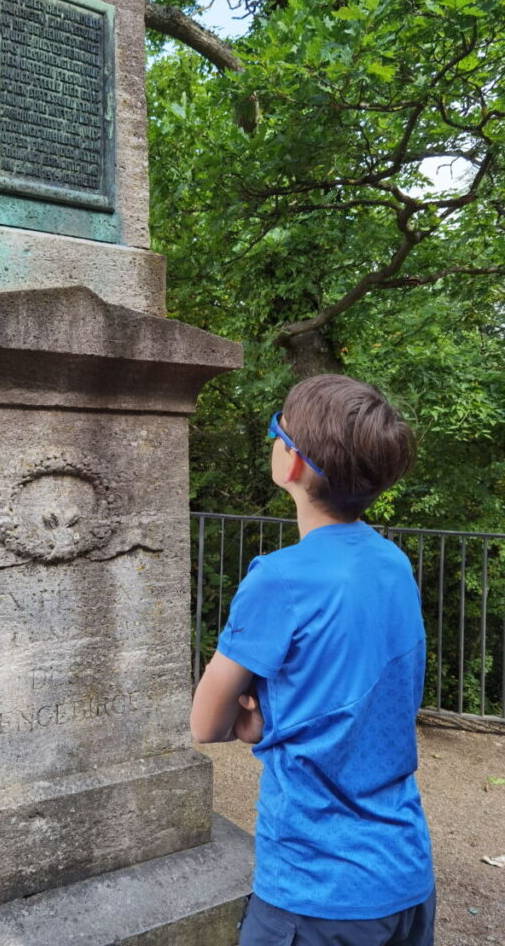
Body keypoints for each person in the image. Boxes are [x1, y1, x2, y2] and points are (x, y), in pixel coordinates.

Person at [190, 375, 435, 946]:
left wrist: (257, 722)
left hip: (318, 893)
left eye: (278, 429)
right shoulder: (393, 564)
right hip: (405, 873)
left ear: (291, 464)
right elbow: (370, 696)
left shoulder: (279, 579)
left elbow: (206, 722)